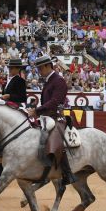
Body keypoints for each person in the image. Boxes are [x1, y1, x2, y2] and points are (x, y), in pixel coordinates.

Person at [27, 54, 75, 184]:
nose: (39, 71)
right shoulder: (49, 80)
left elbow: (55, 101)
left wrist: (37, 110)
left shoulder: (58, 80)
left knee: (54, 136)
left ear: (48, 66)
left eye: (40, 68)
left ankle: (67, 172)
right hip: (47, 116)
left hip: (56, 117)